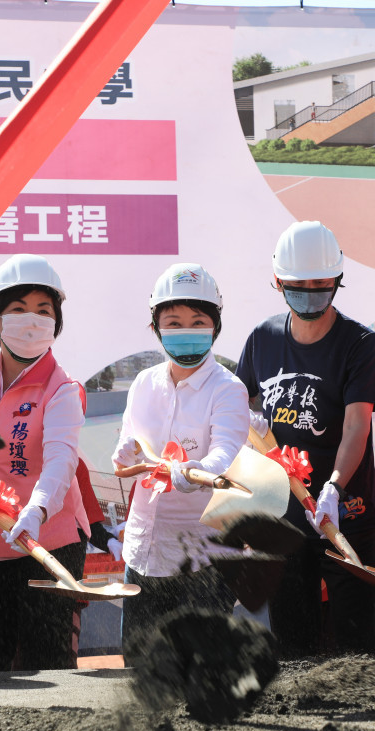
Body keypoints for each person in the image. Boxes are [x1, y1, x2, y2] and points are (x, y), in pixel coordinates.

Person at [236, 221, 375, 656]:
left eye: (321, 284)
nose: (310, 293)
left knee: (353, 627)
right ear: (277, 282)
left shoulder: (360, 344)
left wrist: (334, 488)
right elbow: (242, 402)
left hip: (344, 508)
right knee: (291, 629)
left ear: (338, 280)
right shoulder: (263, 340)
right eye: (297, 285)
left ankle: (371, 714)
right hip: (282, 511)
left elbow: (356, 426)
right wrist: (252, 424)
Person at [0, 254, 88, 672]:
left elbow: (61, 458)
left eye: (44, 311)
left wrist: (37, 509)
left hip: (45, 540)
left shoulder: (62, 389)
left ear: (56, 323)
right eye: (18, 309)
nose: (31, 321)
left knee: (47, 663)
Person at [112, 264, 248, 661]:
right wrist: (128, 450)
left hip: (204, 561)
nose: (186, 329)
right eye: (173, 321)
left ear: (215, 327)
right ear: (155, 327)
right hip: (144, 552)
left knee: (201, 673)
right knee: (142, 668)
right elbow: (131, 437)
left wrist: (193, 473)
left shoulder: (227, 388)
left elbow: (226, 452)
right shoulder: (143, 384)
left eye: (197, 320)